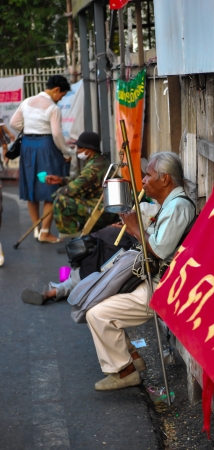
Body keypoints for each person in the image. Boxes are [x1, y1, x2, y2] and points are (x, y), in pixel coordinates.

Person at [85, 151, 196, 391]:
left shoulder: (179, 207)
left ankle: (124, 371)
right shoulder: (168, 204)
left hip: (164, 287)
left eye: (148, 175)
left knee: (98, 314)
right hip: (154, 279)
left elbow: (157, 250)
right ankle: (131, 358)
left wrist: (135, 228)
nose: (144, 181)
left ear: (165, 179)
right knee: (98, 300)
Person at [20, 201, 161, 304]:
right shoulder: (129, 236)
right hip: (95, 263)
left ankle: (53, 291)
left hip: (88, 261)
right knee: (75, 281)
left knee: (75, 280)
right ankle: (54, 291)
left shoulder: (119, 233)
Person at [10, 75, 72, 243]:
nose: (61, 99)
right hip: (47, 146)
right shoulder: (53, 108)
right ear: (56, 90)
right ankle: (45, 231)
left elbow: (13, 122)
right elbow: (57, 134)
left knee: (31, 186)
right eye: (62, 95)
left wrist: (29, 128)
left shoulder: (27, 102)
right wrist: (66, 153)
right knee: (50, 187)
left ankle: (36, 229)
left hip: (28, 146)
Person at [46, 131, 118, 237]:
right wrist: (61, 180)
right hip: (104, 206)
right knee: (61, 197)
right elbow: (81, 181)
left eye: (79, 147)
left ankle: (74, 238)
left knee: (61, 200)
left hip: (104, 210)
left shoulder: (94, 167)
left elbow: (73, 190)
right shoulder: (99, 161)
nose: (77, 151)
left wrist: (56, 194)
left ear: (89, 149)